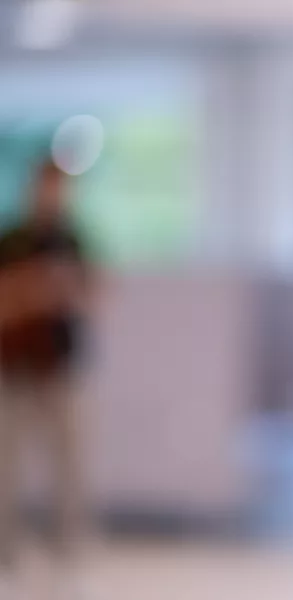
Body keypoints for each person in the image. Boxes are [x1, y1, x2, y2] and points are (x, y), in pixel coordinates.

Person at [0, 158, 93, 598]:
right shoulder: (13, 241)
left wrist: (67, 290)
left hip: (61, 365)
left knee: (70, 462)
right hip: (16, 364)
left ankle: (69, 546)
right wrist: (31, 289)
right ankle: (6, 546)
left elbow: (94, 293)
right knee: (7, 462)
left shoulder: (74, 239)